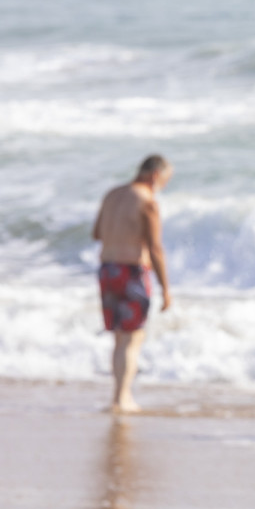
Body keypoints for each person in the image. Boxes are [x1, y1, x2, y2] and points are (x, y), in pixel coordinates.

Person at [92, 154, 173, 413]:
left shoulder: (112, 194)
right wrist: (166, 288)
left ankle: (117, 396)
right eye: (165, 180)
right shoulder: (147, 200)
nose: (163, 186)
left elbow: (96, 233)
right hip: (132, 271)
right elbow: (155, 247)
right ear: (154, 176)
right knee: (133, 337)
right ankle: (122, 398)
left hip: (107, 269)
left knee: (118, 337)